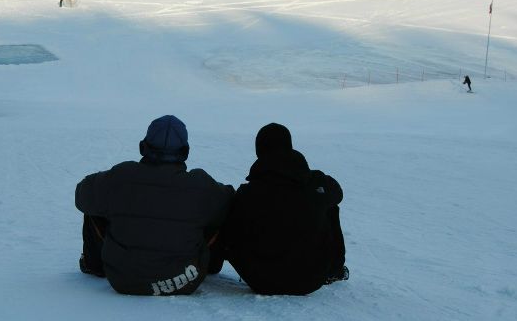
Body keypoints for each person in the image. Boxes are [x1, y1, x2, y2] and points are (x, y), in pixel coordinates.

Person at [75, 115, 233, 296]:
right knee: (218, 212)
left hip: (123, 279)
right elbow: (229, 201)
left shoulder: (121, 177)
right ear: (185, 151)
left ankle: (94, 265)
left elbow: (81, 196)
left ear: (143, 147)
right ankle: (210, 265)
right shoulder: (200, 185)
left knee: (96, 200)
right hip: (184, 280)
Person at [222, 123, 348, 295]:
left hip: (260, 280)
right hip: (310, 279)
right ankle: (334, 269)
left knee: (234, 211)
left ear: (259, 151)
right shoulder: (316, 182)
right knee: (329, 205)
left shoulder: (247, 193)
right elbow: (338, 194)